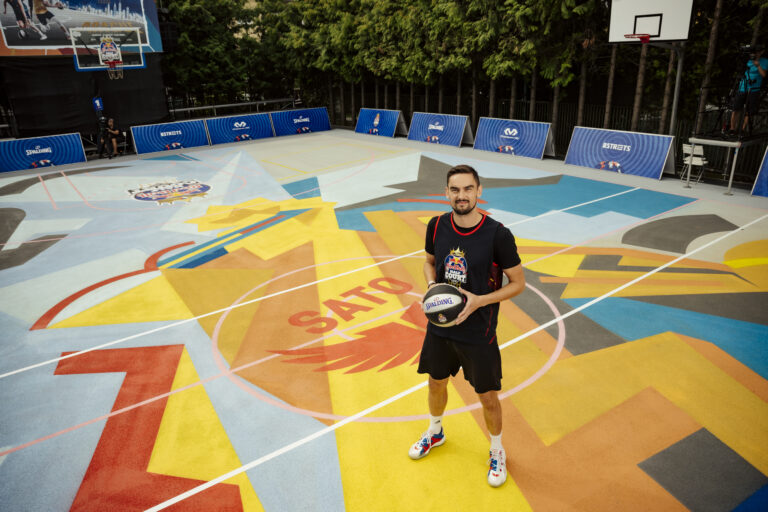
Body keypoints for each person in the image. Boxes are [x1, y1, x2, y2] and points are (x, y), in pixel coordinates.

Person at [408, 164, 525, 488]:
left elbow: (518, 283)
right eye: (455, 190)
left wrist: (478, 300)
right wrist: (432, 286)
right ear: (447, 193)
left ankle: (497, 450)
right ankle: (435, 431)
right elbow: (430, 262)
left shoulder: (497, 234)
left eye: (468, 189)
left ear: (479, 191)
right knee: (435, 383)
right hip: (441, 326)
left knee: (487, 396)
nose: (462, 196)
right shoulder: (436, 226)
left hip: (478, 331)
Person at [730, 45, 768, 133]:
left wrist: (758, 65)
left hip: (754, 89)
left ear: (761, 52)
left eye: (758, 52)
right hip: (743, 87)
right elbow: (739, 69)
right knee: (736, 108)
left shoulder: (765, 61)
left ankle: (743, 129)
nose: (755, 54)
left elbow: (764, 75)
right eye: (754, 52)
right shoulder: (747, 60)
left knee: (749, 110)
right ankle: (732, 128)